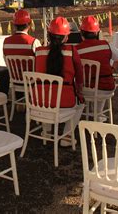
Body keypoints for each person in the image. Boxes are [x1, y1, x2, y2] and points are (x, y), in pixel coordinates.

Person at [35, 16, 85, 147]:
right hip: (65, 101)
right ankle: (67, 137)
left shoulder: (38, 52)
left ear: (49, 35)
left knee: (46, 92)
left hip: (39, 102)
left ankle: (47, 131)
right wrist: (79, 91)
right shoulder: (72, 51)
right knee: (81, 103)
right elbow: (80, 77)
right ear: (66, 37)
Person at [76, 16, 118, 121]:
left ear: (81, 33)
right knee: (101, 85)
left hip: (86, 90)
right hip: (106, 88)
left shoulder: (76, 50)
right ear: (97, 32)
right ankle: (97, 114)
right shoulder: (105, 45)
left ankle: (89, 112)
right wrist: (113, 70)